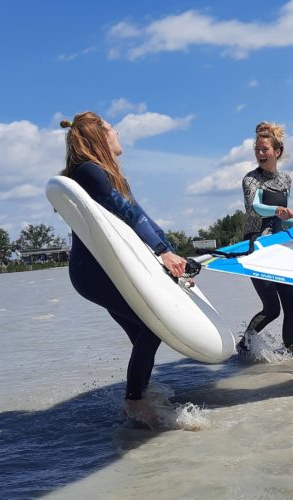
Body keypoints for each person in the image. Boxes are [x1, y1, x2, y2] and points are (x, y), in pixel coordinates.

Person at [59, 111, 186, 425]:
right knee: (151, 328)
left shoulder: (105, 173)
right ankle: (134, 402)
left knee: (140, 334)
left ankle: (139, 401)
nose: (117, 133)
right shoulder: (89, 172)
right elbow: (127, 213)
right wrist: (162, 251)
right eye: (112, 129)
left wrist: (171, 252)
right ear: (100, 137)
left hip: (106, 270)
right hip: (95, 273)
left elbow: (141, 215)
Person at [239, 121, 293, 356]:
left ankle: (292, 359)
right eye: (257, 149)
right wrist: (276, 211)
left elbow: (285, 219)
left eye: (264, 149)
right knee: (272, 309)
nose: (260, 153)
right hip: (256, 246)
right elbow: (255, 208)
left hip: (279, 246)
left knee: (292, 307)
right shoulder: (250, 179)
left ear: (277, 152)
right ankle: (244, 344)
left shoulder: (286, 180)